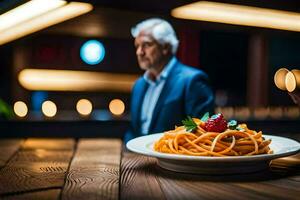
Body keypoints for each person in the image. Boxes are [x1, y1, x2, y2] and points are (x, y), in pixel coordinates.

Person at [125, 18, 214, 141]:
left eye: (146, 45)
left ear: (165, 47)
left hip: (173, 158)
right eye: (137, 46)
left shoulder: (193, 80)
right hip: (137, 157)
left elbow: (203, 134)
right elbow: (133, 130)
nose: (139, 52)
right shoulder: (139, 85)